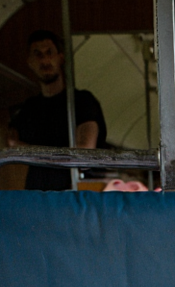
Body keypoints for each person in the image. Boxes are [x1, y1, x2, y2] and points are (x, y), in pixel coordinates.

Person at [8, 30, 108, 191]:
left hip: (74, 194)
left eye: (49, 53)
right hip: (38, 196)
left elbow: (84, 155)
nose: (44, 60)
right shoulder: (28, 109)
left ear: (60, 58)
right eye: (38, 54)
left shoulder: (82, 101)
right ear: (30, 62)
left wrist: (32, 152)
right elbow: (13, 145)